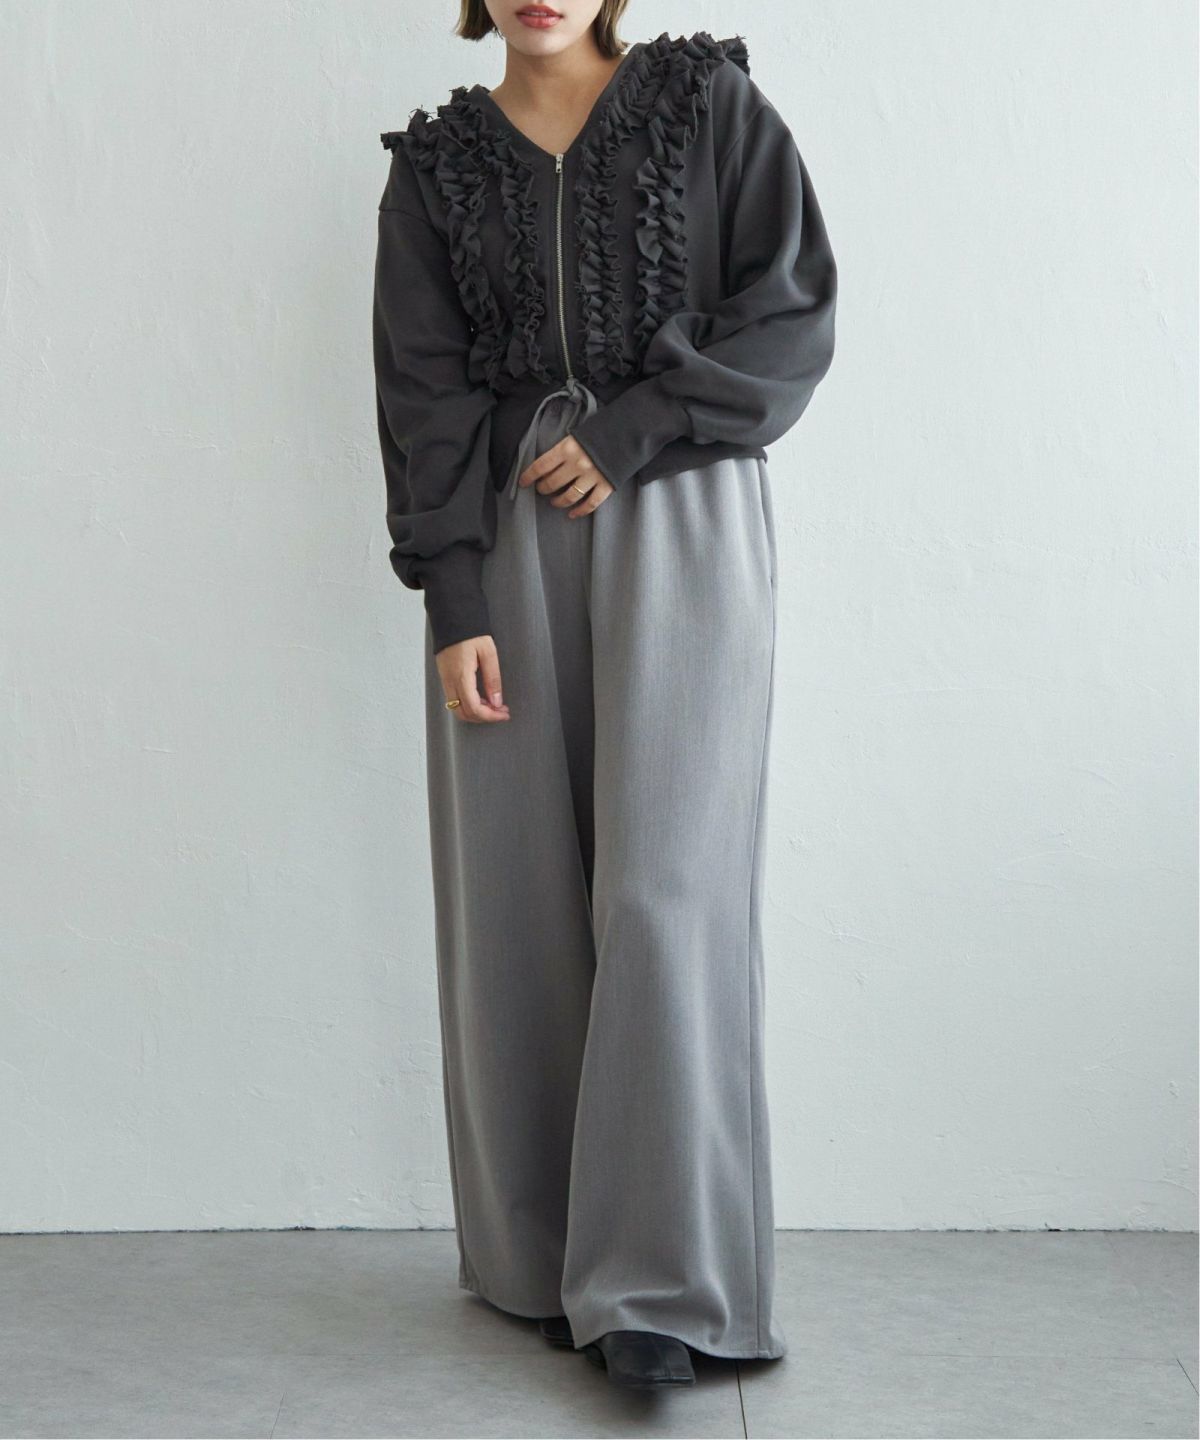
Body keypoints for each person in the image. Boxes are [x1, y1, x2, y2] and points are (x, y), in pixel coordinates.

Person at [372, 0, 837, 1392]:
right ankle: (535, 1262)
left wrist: (636, 427)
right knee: (513, 897)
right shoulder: (438, 164)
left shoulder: (707, 107)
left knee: (665, 890)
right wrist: (454, 599)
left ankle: (662, 1287)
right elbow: (422, 392)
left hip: (682, 514)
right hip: (508, 538)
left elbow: (791, 308)